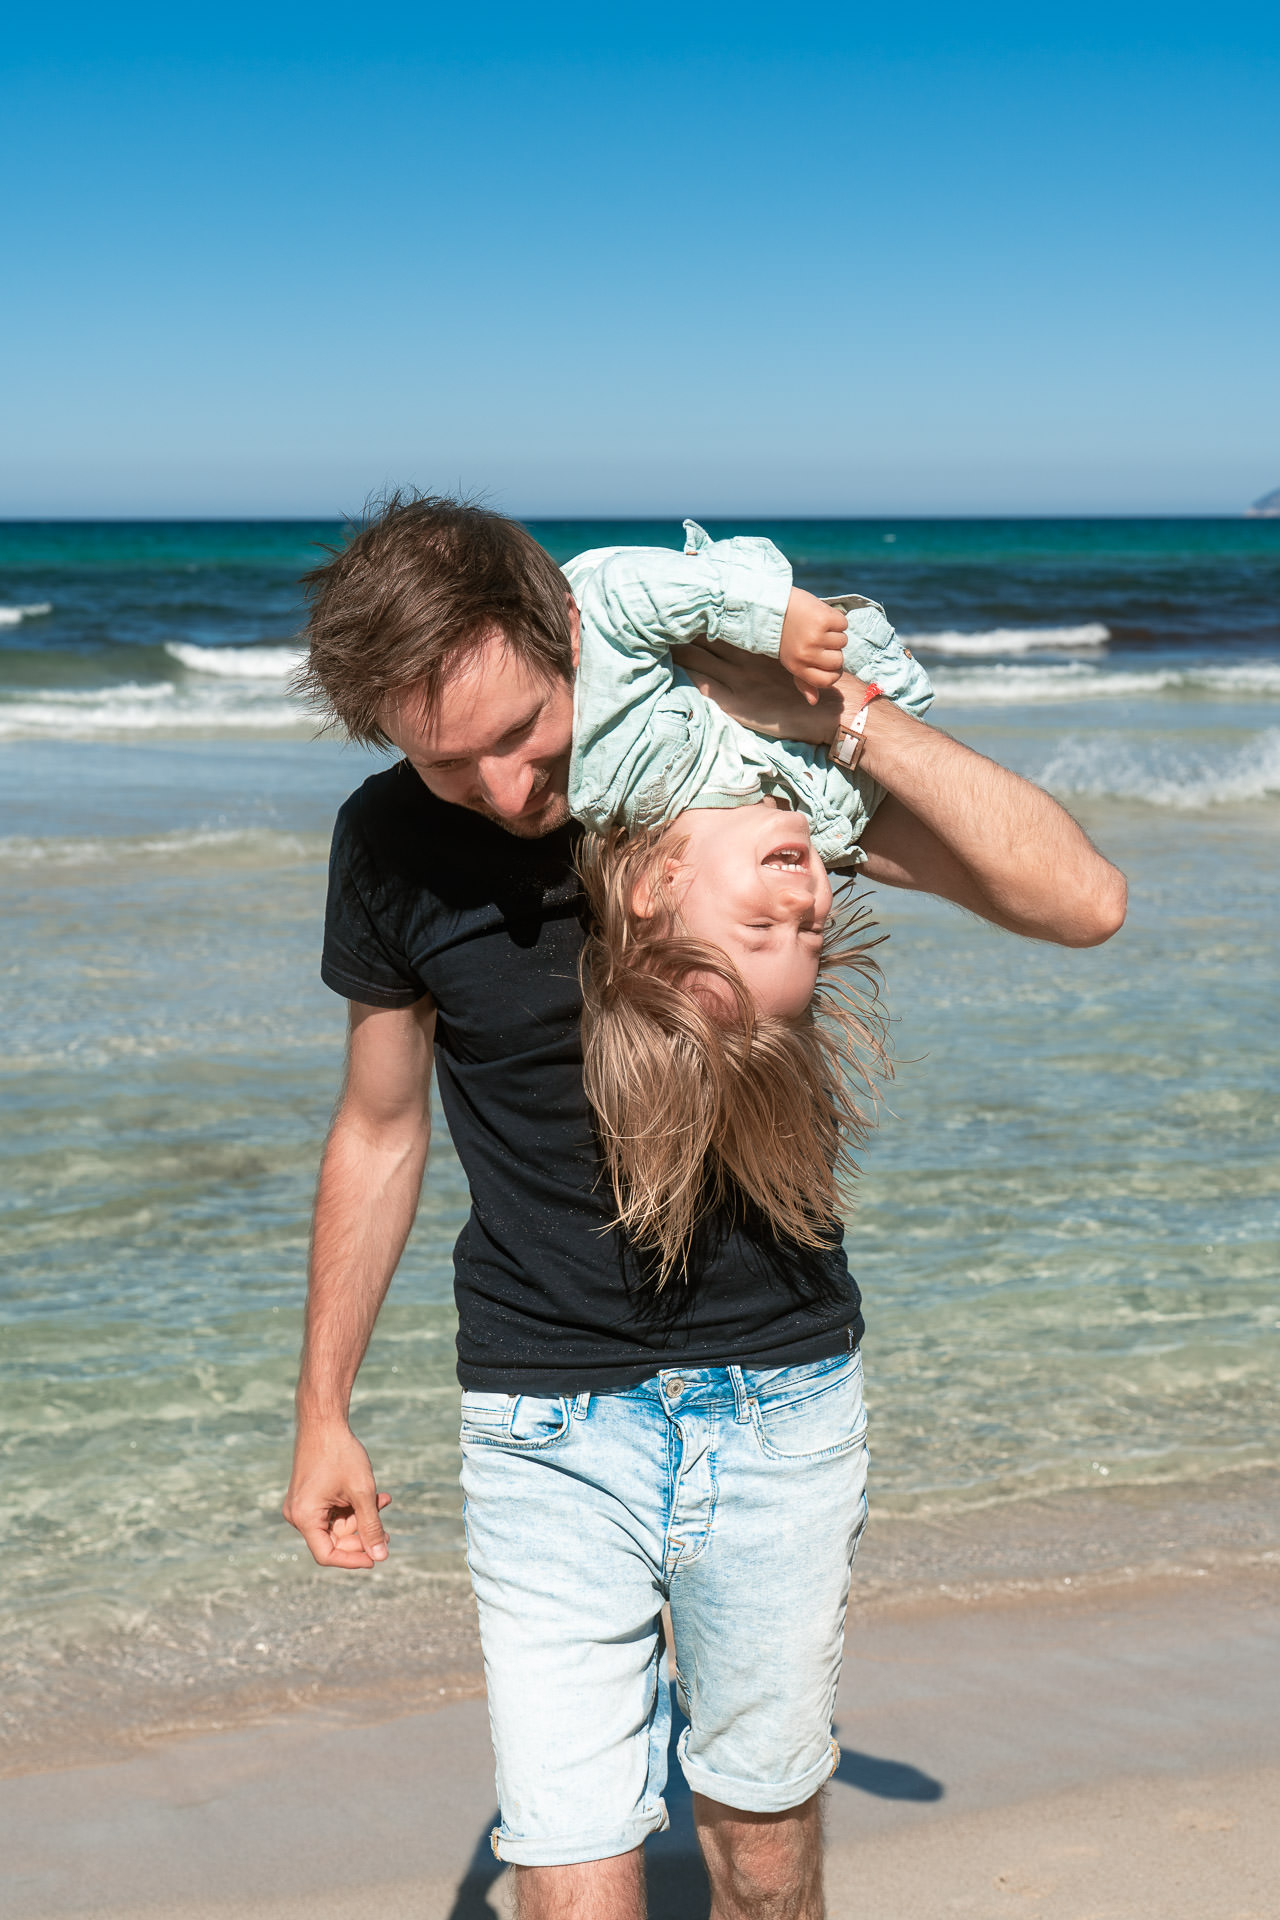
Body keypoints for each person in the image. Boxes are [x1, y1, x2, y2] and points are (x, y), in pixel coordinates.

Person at [284, 494, 1126, 1920]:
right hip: (544, 1416)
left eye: (521, 733)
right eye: (446, 760)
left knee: (761, 1862)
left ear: (572, 635)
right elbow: (378, 1128)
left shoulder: (727, 776)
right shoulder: (388, 846)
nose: (501, 789)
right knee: (574, 1886)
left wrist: (831, 714)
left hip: (781, 1397)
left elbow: (1078, 899)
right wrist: (323, 1411)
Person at [565, 518, 934, 1279]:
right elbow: (904, 694)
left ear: (651, 886)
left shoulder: (624, 773)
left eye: (761, 925)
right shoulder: (830, 813)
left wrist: (767, 617)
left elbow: (603, 596)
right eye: (810, 935)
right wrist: (839, 697)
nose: (808, 906)